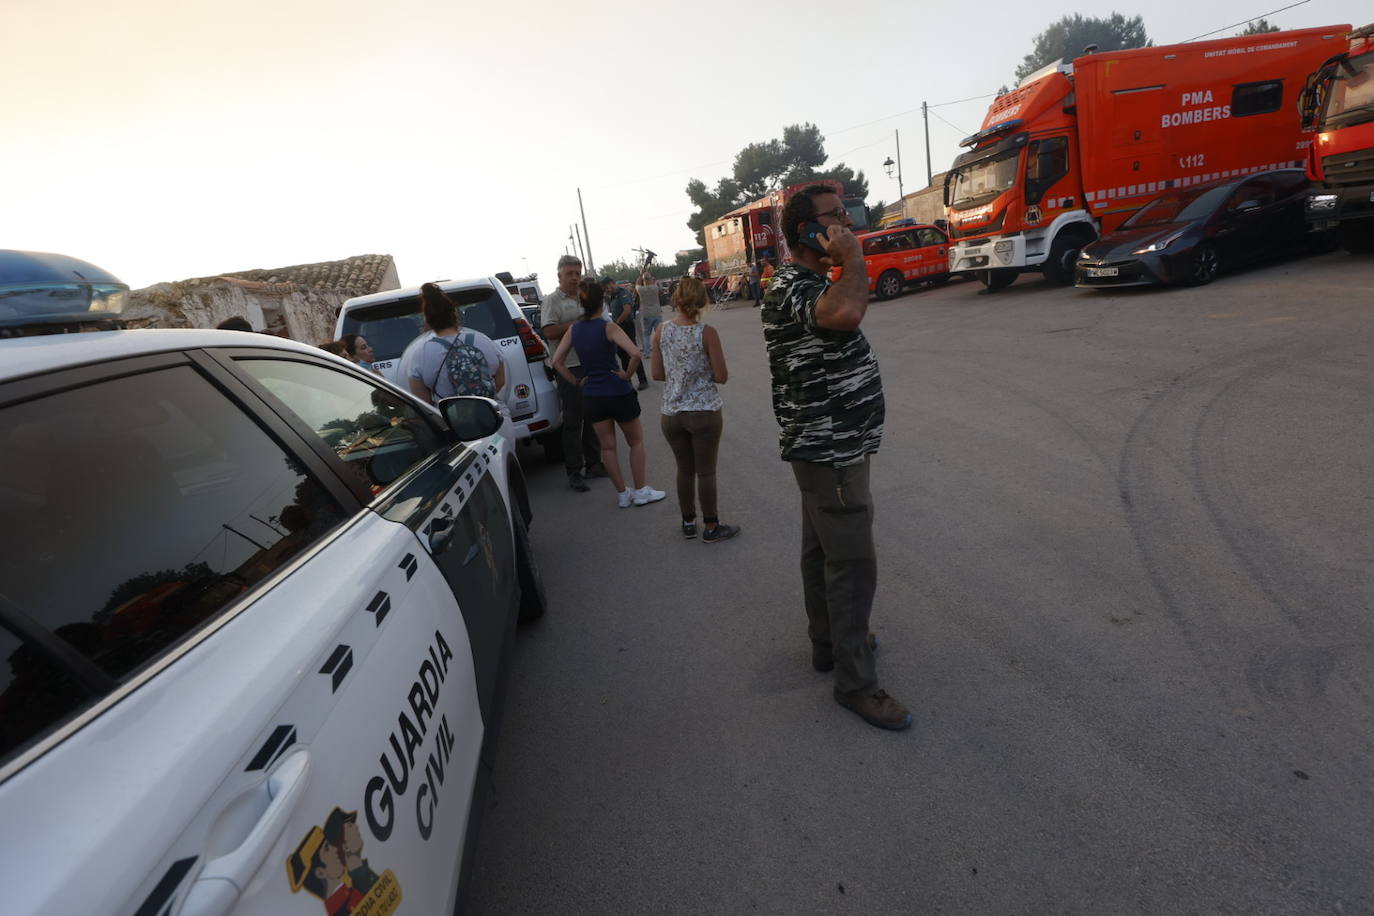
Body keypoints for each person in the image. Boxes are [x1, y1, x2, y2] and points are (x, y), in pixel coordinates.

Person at [760, 184, 910, 732]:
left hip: (832, 444)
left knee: (821, 549)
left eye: (846, 215)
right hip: (831, 447)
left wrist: (843, 258)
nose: (846, 224)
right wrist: (854, 257)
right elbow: (846, 312)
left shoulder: (805, 280)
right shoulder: (791, 286)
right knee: (851, 564)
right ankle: (857, 684)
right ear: (806, 230)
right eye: (835, 217)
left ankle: (828, 645)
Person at [550, 277, 665, 509]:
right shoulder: (608, 327)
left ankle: (623, 494)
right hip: (618, 391)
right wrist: (627, 374)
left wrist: (577, 381)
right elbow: (634, 353)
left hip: (593, 395)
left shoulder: (574, 330)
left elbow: (557, 361)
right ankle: (641, 490)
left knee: (607, 447)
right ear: (601, 302)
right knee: (635, 441)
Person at [650, 276, 739, 543]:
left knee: (684, 470)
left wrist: (680, 375)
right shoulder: (706, 332)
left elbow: (656, 373)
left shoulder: (661, 331)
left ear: (676, 299)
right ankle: (711, 526)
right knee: (706, 472)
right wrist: (700, 375)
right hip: (703, 412)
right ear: (702, 301)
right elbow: (721, 376)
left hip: (672, 414)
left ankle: (688, 522)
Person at [541, 255, 607, 491]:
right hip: (567, 366)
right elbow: (549, 332)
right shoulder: (551, 301)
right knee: (572, 421)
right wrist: (579, 324)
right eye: (569, 273)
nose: (574, 278)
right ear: (559, 275)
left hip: (590, 364)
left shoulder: (583, 296)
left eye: (577, 273)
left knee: (593, 417)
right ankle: (574, 471)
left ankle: (594, 464)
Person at [408, 282, 505, 405]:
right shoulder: (484, 340)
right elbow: (501, 381)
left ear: (427, 321)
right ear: (454, 314)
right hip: (496, 419)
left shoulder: (420, 354)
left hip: (453, 422)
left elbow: (423, 402)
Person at [604, 276, 649, 390]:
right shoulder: (612, 296)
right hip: (619, 327)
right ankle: (626, 381)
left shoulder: (623, 293)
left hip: (626, 326)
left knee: (632, 353)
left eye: (607, 287)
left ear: (612, 283)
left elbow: (627, 311)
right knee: (622, 355)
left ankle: (642, 380)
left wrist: (616, 324)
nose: (607, 290)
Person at [634, 270, 663, 362]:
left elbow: (637, 283)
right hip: (657, 313)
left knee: (646, 334)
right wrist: (648, 276)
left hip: (646, 314)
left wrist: (640, 275)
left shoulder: (641, 290)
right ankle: (662, 350)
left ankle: (647, 353)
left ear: (643, 280)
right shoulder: (655, 288)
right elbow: (654, 281)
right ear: (650, 279)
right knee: (659, 333)